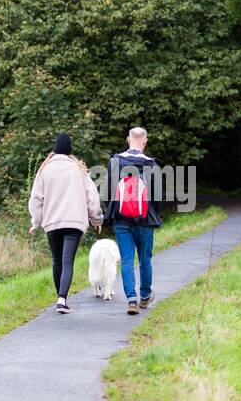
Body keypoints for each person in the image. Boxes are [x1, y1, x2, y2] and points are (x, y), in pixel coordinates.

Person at [28, 133, 103, 314]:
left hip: (52, 222)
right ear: (70, 151)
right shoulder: (78, 169)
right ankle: (62, 300)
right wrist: (96, 219)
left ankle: (60, 299)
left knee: (57, 261)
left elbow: (36, 198)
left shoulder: (44, 170)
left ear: (54, 149)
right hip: (74, 222)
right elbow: (91, 196)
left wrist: (35, 221)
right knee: (67, 260)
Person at [105, 126, 162, 315]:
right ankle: (145, 296)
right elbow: (158, 196)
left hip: (122, 221)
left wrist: (111, 212)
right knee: (145, 259)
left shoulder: (115, 161)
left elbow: (107, 193)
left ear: (128, 139)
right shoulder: (152, 164)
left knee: (127, 260)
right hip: (145, 220)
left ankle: (131, 299)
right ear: (144, 141)